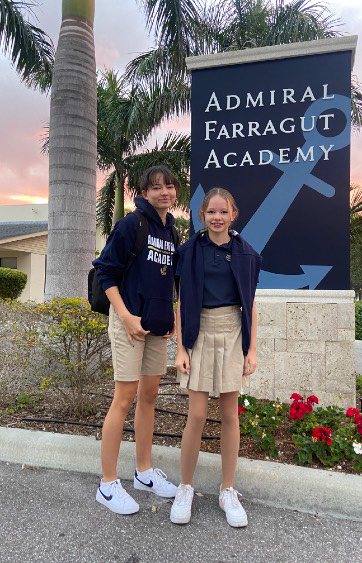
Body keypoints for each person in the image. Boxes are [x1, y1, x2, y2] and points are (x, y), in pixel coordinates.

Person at [171, 188, 261, 527]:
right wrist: (181, 348)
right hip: (198, 332)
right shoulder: (189, 252)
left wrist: (252, 349)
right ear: (202, 215)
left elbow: (250, 303)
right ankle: (185, 487)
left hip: (233, 331)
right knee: (196, 415)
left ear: (233, 214)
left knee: (229, 414)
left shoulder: (246, 254)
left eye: (223, 212)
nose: (217, 217)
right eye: (211, 212)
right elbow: (182, 301)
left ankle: (227, 490)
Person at [92, 165, 179, 515]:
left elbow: (168, 280)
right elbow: (105, 272)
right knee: (124, 397)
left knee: (150, 396)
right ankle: (107, 484)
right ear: (143, 193)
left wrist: (172, 316)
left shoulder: (172, 231)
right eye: (156, 187)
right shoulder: (130, 225)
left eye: (169, 186)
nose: (164, 192)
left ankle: (144, 472)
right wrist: (126, 317)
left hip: (157, 326)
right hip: (129, 322)